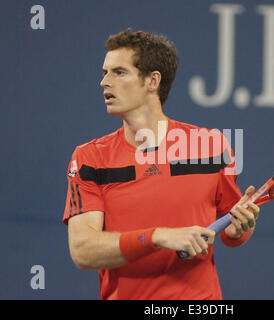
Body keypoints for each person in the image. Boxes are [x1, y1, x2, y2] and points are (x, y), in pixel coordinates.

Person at [62, 28, 260, 300]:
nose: (104, 82)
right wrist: (156, 237)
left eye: (119, 72)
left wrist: (241, 229)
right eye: (104, 72)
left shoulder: (211, 146)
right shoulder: (90, 157)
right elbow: (83, 250)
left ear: (152, 81)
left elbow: (231, 231)